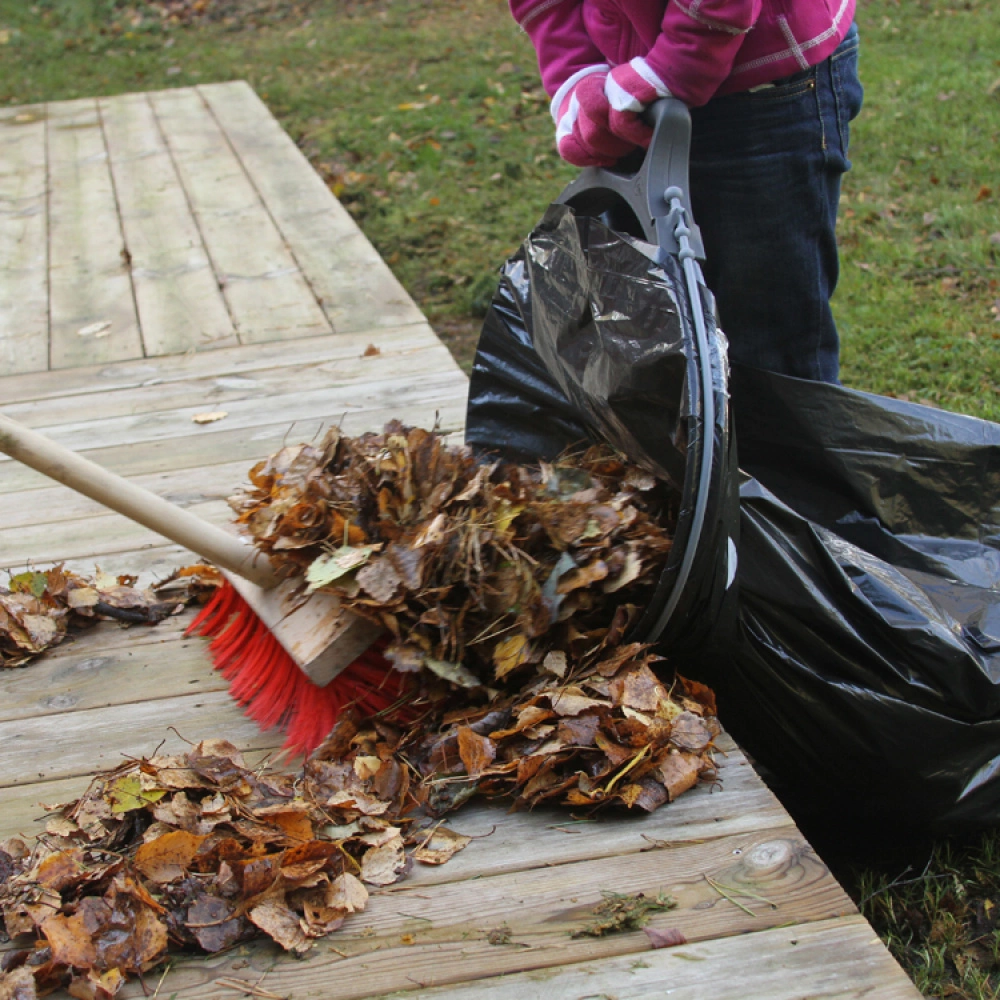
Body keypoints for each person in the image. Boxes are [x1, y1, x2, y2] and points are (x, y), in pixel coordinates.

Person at [509, 0, 863, 383]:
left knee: (768, 352)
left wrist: (673, 67)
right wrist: (576, 69)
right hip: (625, 86)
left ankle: (779, 444)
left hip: (759, 76)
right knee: (648, 338)